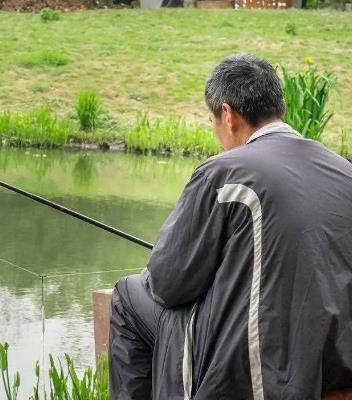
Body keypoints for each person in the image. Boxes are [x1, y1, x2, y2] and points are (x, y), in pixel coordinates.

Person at [109, 54, 352, 399]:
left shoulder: (223, 172)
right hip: (334, 363)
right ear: (280, 106)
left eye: (214, 122)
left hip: (257, 367)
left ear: (228, 114)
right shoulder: (344, 170)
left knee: (127, 296)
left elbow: (168, 284)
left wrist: (154, 271)